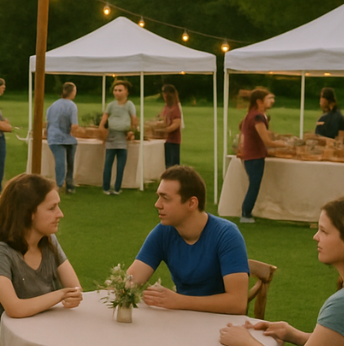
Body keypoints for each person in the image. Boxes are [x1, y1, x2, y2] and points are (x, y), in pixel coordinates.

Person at [0, 173, 82, 346]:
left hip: (34, 325)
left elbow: (74, 287)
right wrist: (61, 295)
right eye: (52, 208)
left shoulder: (49, 242)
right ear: (28, 213)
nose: (60, 214)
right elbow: (15, 309)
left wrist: (73, 294)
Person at [219, 196, 344, 346]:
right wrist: (292, 334)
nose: (315, 236)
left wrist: (246, 342)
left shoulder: (339, 305)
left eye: (324, 231)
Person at [127, 165, 249, 314]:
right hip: (183, 319)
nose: (157, 204)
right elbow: (131, 281)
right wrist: (119, 288)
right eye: (158, 196)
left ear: (192, 203)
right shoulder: (163, 232)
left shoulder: (226, 235)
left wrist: (179, 301)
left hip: (222, 325)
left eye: (165, 198)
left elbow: (237, 303)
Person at [239, 88, 285, 224]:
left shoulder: (252, 115)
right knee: (254, 185)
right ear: (259, 101)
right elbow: (267, 141)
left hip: (251, 155)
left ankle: (246, 212)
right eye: (269, 99)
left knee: (254, 184)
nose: (272, 101)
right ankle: (246, 213)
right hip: (254, 156)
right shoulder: (257, 117)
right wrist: (285, 145)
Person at [99, 79, 138, 195]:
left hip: (123, 136)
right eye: (115, 90)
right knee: (108, 163)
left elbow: (134, 119)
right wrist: (101, 128)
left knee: (121, 165)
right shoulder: (111, 105)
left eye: (120, 90)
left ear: (126, 92)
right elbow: (104, 118)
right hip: (111, 136)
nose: (117, 92)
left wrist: (132, 131)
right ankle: (106, 187)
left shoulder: (129, 105)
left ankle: (117, 188)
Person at [46, 82, 78, 194]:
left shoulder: (52, 106)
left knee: (60, 162)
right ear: (72, 92)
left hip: (53, 137)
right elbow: (74, 125)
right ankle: (65, 185)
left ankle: (61, 185)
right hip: (67, 138)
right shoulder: (72, 105)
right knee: (68, 163)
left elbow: (48, 122)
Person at [160, 84, 183, 168]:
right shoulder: (167, 107)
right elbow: (162, 118)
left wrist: (165, 130)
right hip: (166, 139)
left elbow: (176, 123)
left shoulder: (175, 108)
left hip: (173, 140)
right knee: (167, 162)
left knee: (173, 164)